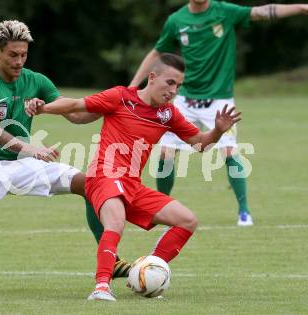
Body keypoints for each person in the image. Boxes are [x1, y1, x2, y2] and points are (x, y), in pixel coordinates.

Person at [0, 19, 129, 294]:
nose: (19, 61)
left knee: (88, 183)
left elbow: (77, 115)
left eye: (23, 55)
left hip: (24, 164)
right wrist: (30, 149)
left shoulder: (37, 81)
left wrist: (112, 104)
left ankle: (111, 260)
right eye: (13, 55)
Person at [26, 53, 241, 301]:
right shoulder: (120, 96)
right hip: (103, 175)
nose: (174, 90)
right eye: (170, 82)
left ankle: (146, 270)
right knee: (115, 223)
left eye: (179, 86)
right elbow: (75, 105)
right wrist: (43, 108)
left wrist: (217, 130)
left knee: (187, 220)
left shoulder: (168, 114)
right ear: (152, 77)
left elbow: (201, 145)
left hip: (132, 184)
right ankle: (101, 287)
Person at [130, 1, 308, 226]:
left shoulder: (224, 12)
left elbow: (262, 12)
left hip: (220, 102)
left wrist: (301, 8)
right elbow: (157, 53)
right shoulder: (177, 20)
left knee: (229, 152)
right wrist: (134, 85)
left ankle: (244, 211)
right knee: (165, 153)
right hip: (185, 100)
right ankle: (161, 207)